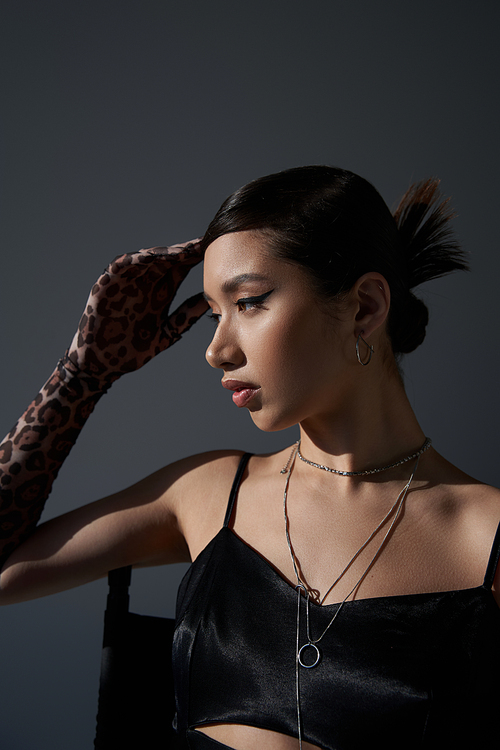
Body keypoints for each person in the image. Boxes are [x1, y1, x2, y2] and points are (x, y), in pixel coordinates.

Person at [1, 165, 499, 750]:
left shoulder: (485, 536)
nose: (216, 349)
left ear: (365, 306)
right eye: (214, 313)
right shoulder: (208, 492)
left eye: (250, 302)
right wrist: (83, 375)